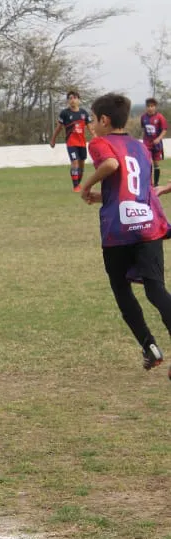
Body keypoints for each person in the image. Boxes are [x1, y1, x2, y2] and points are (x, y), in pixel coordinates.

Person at [80, 94, 171, 374]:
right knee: (156, 289)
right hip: (146, 225)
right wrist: (103, 196)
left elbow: (111, 165)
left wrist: (86, 186)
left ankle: (149, 345)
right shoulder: (141, 147)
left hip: (118, 230)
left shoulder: (99, 143)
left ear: (104, 120)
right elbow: (137, 188)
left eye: (93, 120)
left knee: (122, 289)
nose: (92, 125)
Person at [51, 90, 93, 191]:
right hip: (71, 143)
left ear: (79, 100)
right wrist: (53, 139)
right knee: (74, 162)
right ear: (68, 101)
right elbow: (59, 128)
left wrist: (96, 137)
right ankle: (75, 186)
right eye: (70, 98)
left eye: (75, 98)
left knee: (81, 164)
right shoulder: (64, 113)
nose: (72, 100)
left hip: (82, 143)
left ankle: (78, 183)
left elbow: (90, 128)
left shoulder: (83, 113)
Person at [141, 97, 167, 185]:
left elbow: (164, 130)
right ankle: (148, 182)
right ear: (146, 107)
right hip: (147, 144)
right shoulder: (143, 117)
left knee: (156, 164)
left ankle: (156, 183)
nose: (150, 108)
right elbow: (143, 129)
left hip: (156, 144)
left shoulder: (160, 117)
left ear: (155, 107)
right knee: (147, 162)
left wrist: (158, 139)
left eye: (152, 106)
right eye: (148, 106)